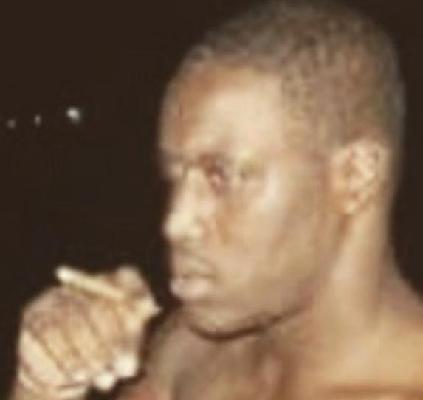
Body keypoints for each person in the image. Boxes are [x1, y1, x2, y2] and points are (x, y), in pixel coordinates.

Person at [10, 0, 423, 399]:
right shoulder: (192, 354)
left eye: (221, 176)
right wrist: (44, 382)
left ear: (355, 176)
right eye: (174, 175)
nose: (175, 222)